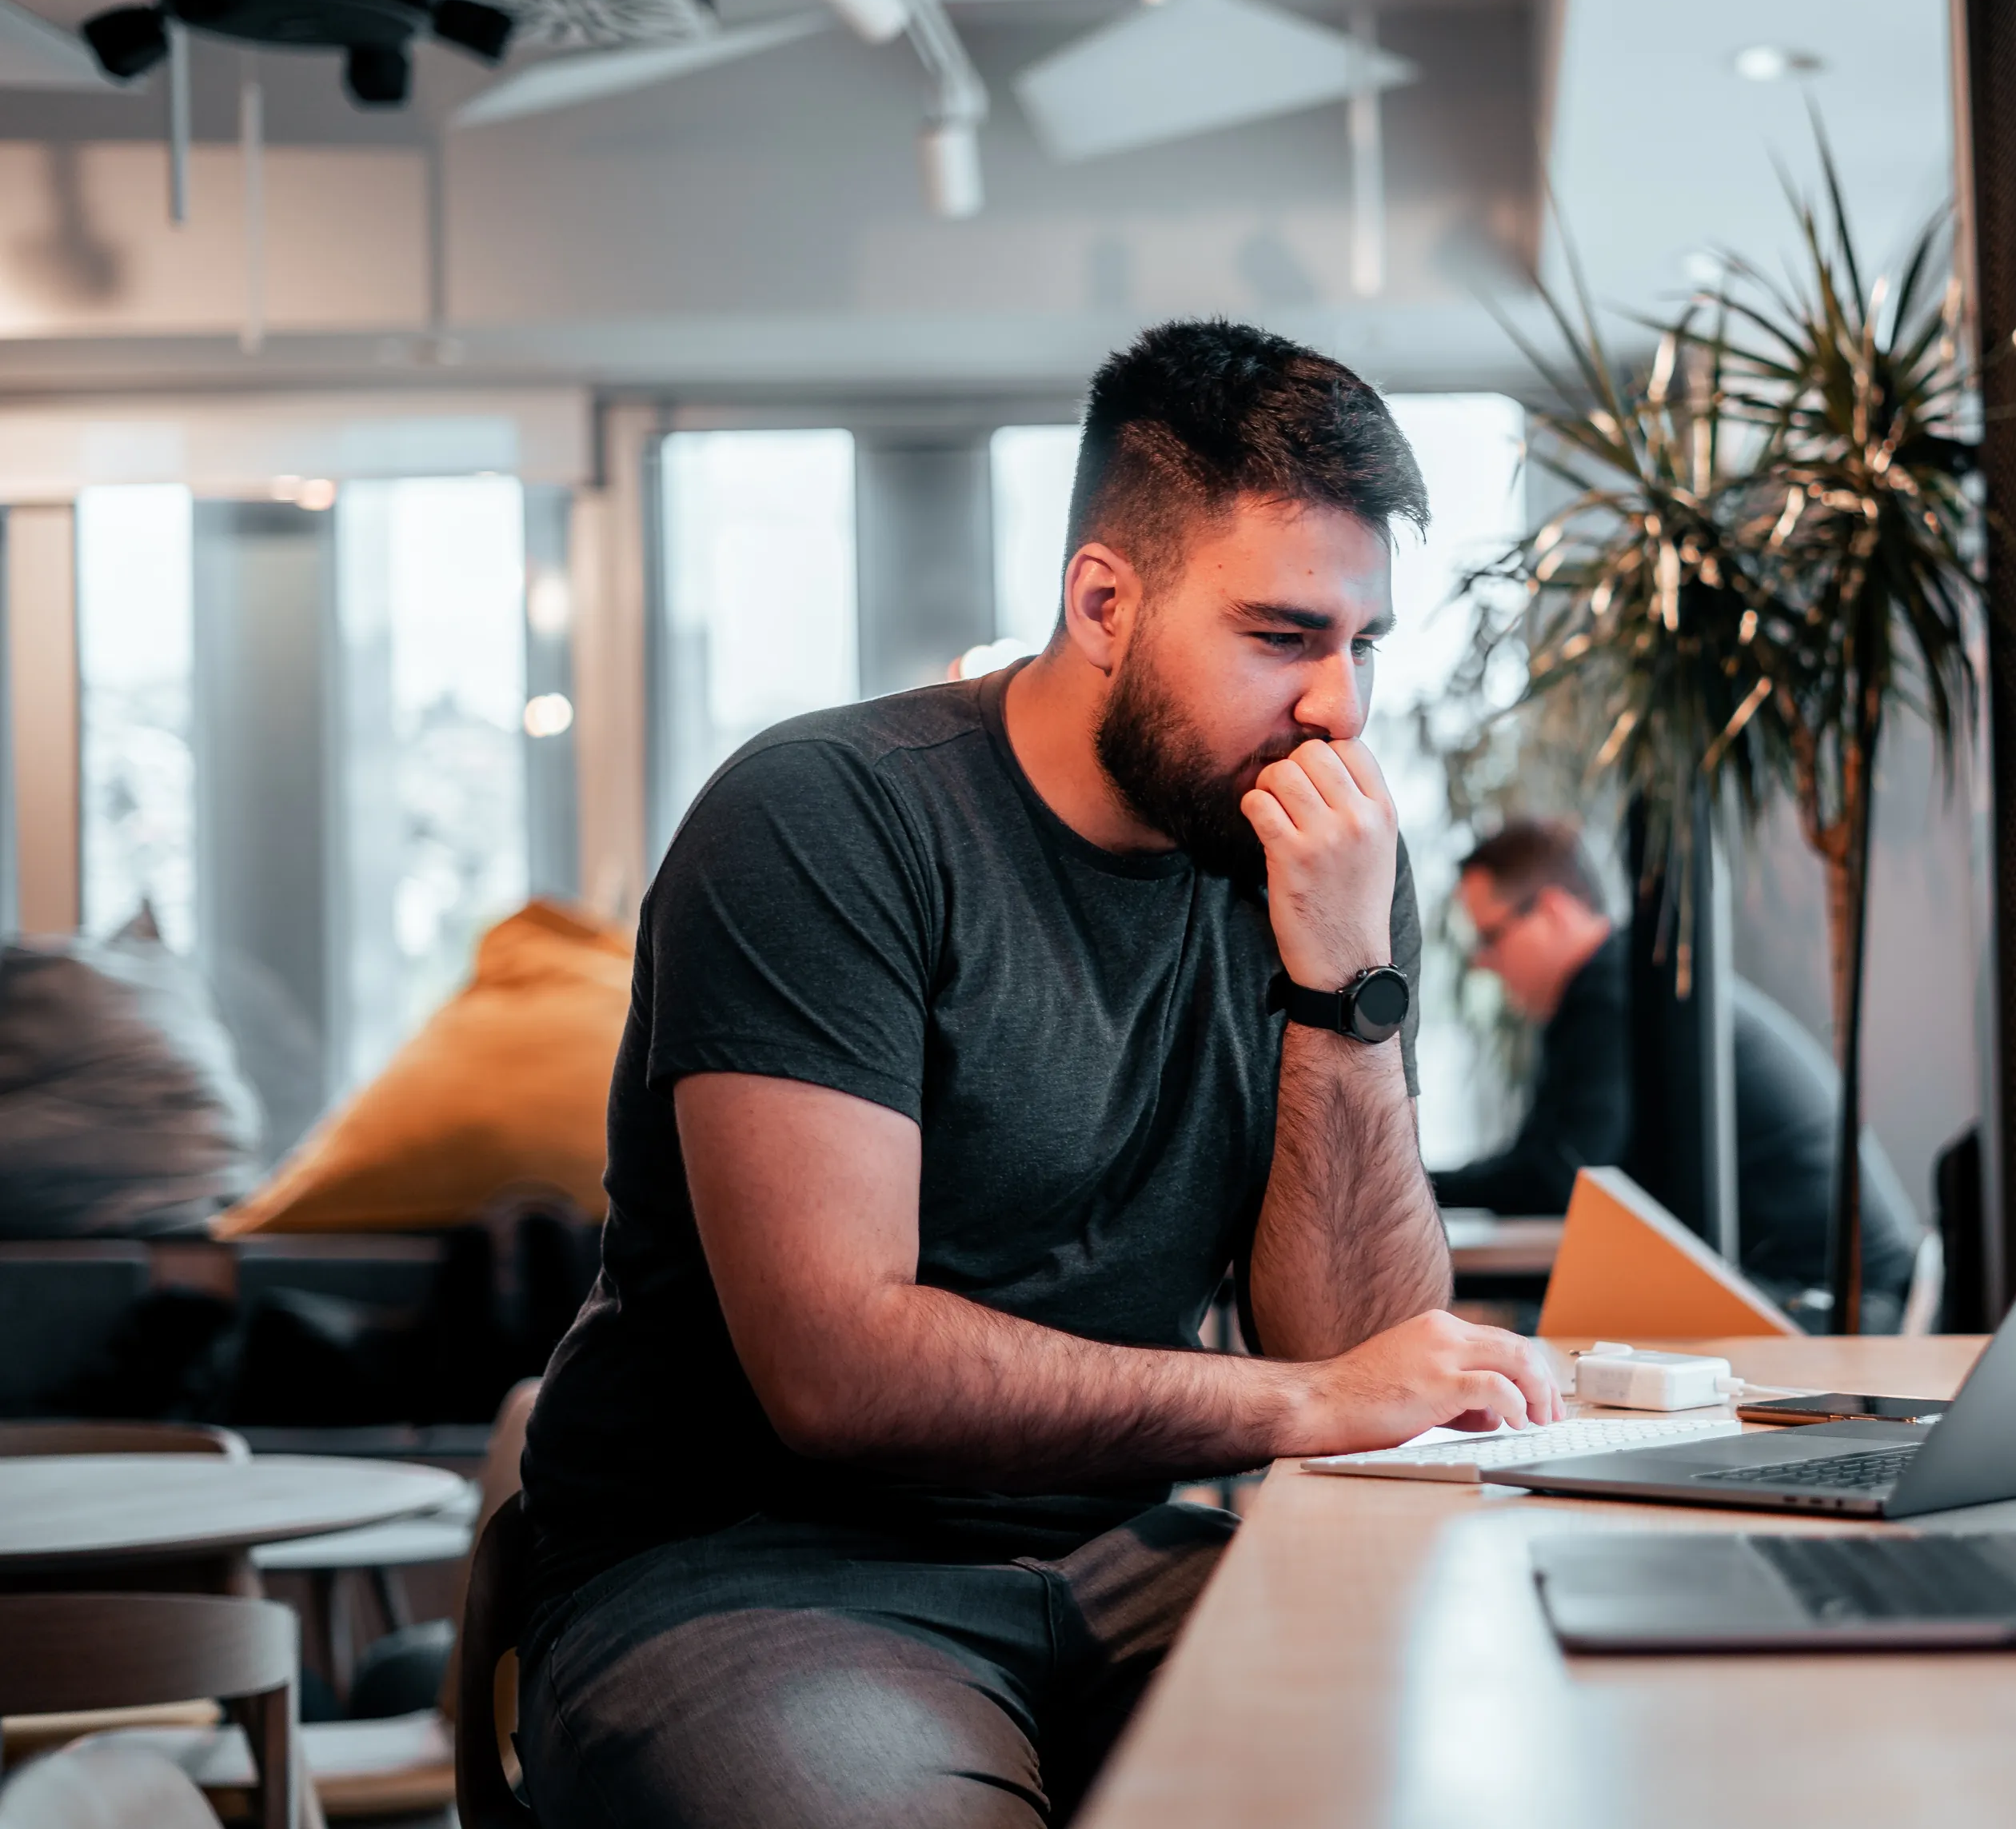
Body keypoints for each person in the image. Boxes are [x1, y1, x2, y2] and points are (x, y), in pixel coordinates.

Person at [514, 321, 1562, 1829]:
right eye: (1283, 637)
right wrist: (1303, 1398)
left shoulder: (1313, 859)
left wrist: (1345, 989)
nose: (1342, 708)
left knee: (1480, 1770)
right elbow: (841, 1371)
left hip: (1135, 1555)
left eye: (1362, 643)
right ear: (1103, 602)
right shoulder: (826, 821)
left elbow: (1365, 1355)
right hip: (753, 1572)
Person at [1428, 820, 1922, 1327]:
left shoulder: (1612, 992)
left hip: (1832, 1301)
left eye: (1490, 937)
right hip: (1824, 1289)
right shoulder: (1629, 984)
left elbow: (1559, 1176)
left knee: (1551, 1351)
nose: (1483, 964)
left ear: (1554, 912)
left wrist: (1416, 1184)